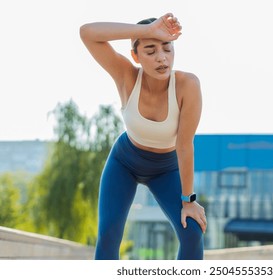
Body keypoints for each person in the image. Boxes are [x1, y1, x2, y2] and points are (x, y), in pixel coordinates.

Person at [80, 13, 206, 260]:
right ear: (136, 56)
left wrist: (189, 200)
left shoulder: (187, 85)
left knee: (192, 232)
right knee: (109, 234)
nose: (162, 58)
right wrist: (149, 30)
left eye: (167, 48)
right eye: (150, 50)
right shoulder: (126, 75)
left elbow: (184, 145)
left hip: (166, 168)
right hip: (124, 162)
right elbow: (88, 33)